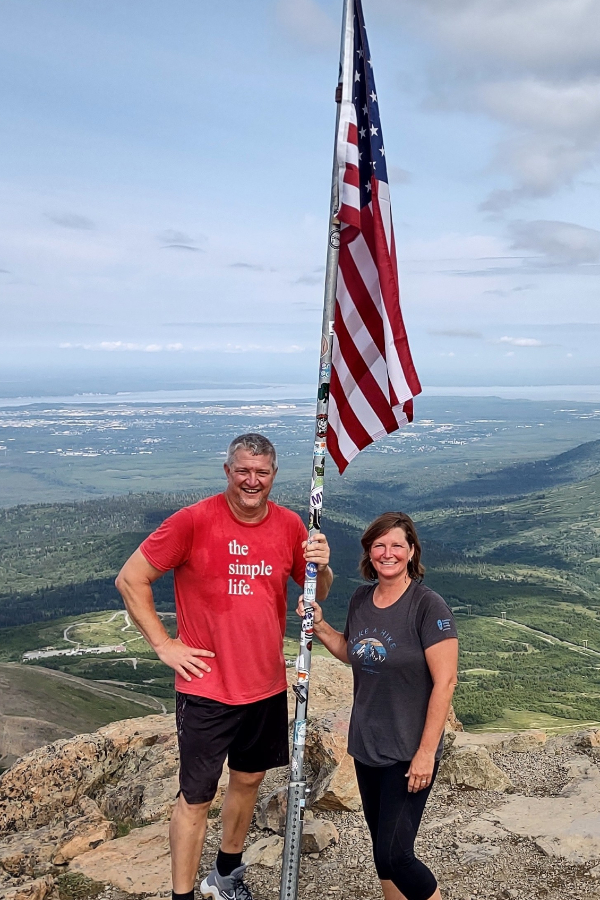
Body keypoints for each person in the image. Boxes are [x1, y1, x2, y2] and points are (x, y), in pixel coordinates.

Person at [115, 433, 333, 900]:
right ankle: (182, 895)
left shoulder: (292, 526)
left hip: (265, 684)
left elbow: (315, 591)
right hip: (207, 689)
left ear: (273, 475)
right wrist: (165, 646)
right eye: (243, 471)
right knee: (195, 799)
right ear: (228, 471)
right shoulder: (194, 521)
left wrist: (322, 566)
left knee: (250, 778)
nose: (252, 480)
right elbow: (131, 578)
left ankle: (226, 873)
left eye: (262, 472)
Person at [297, 511, 457, 900]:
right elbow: (356, 653)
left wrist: (425, 753)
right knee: (382, 856)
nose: (388, 553)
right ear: (369, 552)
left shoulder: (427, 606)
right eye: (379, 545)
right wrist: (319, 626)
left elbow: (445, 681)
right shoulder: (361, 598)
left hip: (408, 750)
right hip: (367, 745)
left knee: (398, 855)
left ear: (412, 551)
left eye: (396, 545)